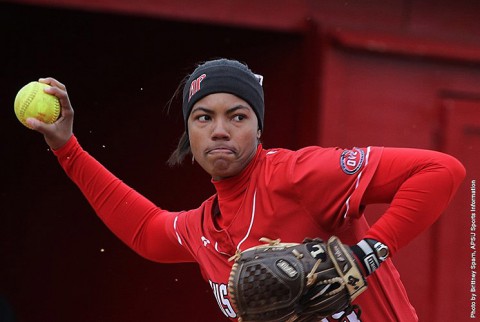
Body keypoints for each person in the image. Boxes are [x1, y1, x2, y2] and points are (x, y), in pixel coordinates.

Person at [27, 58, 465, 321]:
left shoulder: (296, 174)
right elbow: (146, 230)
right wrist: (67, 147)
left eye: (237, 116)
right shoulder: (202, 228)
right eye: (203, 118)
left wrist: (366, 253)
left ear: (259, 129)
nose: (220, 130)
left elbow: (440, 170)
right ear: (188, 135)